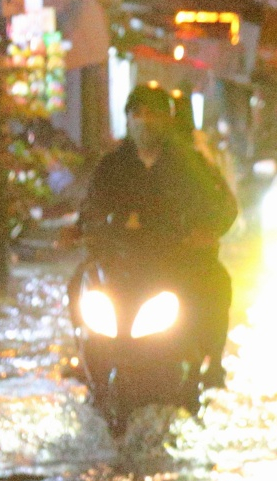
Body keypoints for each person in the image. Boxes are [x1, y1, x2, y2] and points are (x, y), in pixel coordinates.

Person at [82, 85, 237, 388]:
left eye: (152, 113)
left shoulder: (191, 165)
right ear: (128, 119)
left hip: (176, 259)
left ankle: (212, 362)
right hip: (121, 262)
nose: (144, 121)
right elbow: (91, 207)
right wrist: (84, 228)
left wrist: (205, 230)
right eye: (138, 113)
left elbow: (223, 206)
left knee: (217, 283)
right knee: (81, 282)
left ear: (167, 120)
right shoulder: (112, 166)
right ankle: (89, 357)